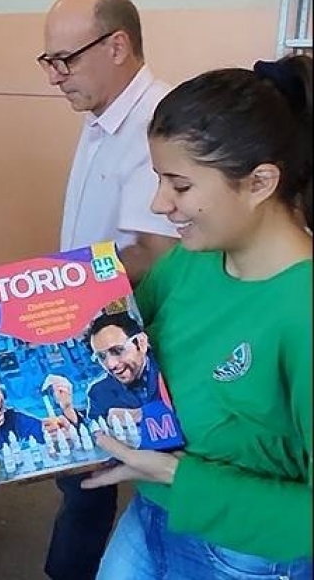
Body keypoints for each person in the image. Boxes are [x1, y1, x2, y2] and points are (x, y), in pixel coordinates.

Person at [83, 55, 313, 579]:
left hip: (245, 554)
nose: (160, 203)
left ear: (259, 183)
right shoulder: (192, 259)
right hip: (152, 514)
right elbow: (129, 348)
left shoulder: (302, 311)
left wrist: (175, 474)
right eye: (159, 178)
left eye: (180, 186)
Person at [38, 1, 178, 576]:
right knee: (85, 482)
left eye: (65, 59)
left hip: (127, 340)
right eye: (48, 60)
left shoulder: (153, 125)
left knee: (92, 484)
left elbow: (156, 255)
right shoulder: (102, 116)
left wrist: (55, 290)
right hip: (90, 329)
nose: (54, 75)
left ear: (117, 47)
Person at [45, 311, 164, 428]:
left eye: (117, 350)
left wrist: (140, 415)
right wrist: (68, 409)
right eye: (101, 357)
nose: (111, 364)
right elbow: (93, 431)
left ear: (141, 343)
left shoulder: (169, 366)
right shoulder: (98, 392)